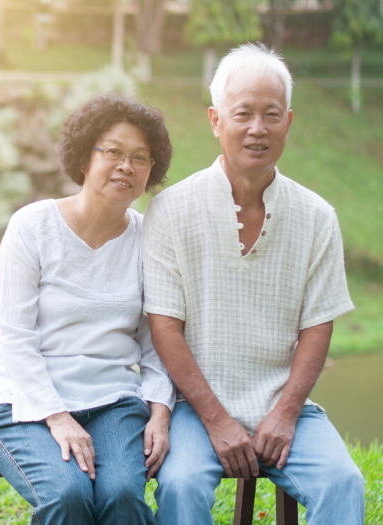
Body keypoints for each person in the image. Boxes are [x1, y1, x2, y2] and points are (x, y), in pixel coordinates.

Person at [142, 42, 365, 525]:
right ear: (216, 120)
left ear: (289, 121)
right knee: (179, 485)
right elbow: (164, 327)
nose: (257, 128)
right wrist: (217, 420)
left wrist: (286, 412)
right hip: (196, 410)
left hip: (286, 408)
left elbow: (318, 325)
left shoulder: (317, 216)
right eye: (242, 113)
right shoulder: (170, 210)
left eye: (271, 114)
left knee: (344, 483)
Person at [0, 92, 175, 525]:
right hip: (23, 403)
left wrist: (160, 410)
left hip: (113, 402)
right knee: (68, 495)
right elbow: (16, 339)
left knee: (123, 497)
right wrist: (57, 417)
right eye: (114, 152)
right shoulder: (32, 228)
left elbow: (157, 339)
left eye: (140, 158)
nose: (126, 166)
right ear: (85, 157)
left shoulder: (149, 239)